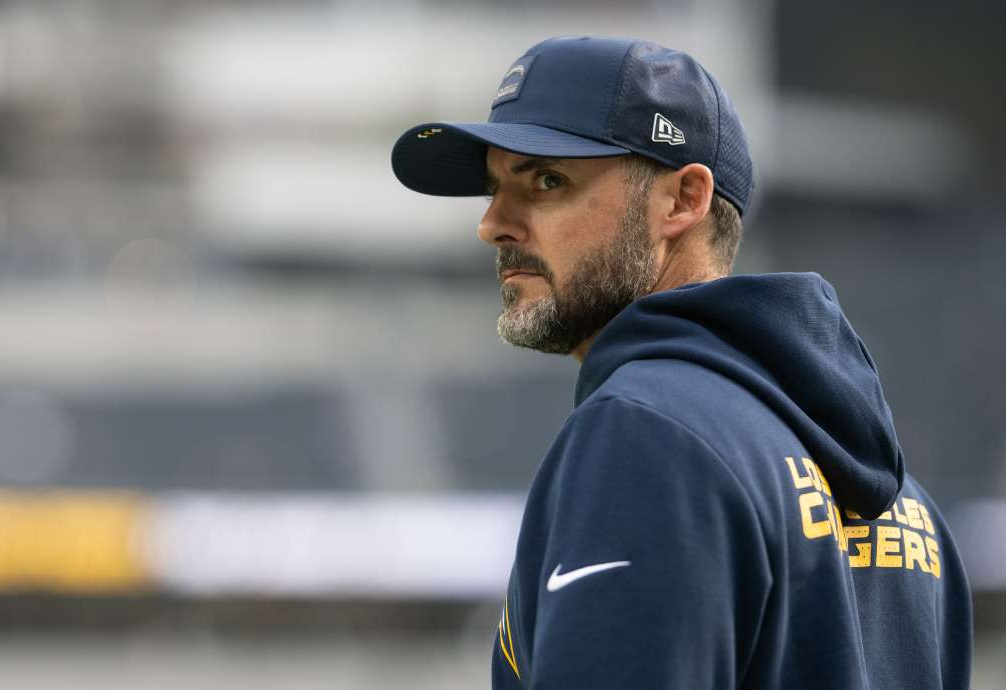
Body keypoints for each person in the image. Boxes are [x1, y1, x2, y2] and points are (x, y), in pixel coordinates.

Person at [390, 36, 971, 689]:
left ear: (683, 200)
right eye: (495, 189)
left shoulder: (644, 434)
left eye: (547, 180)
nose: (493, 224)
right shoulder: (906, 505)